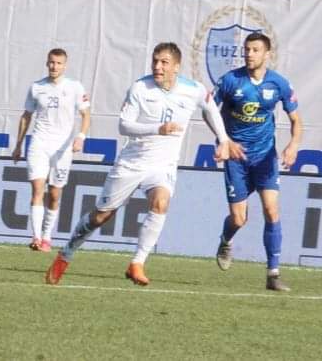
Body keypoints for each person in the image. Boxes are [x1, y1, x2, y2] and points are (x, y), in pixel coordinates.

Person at [45, 42, 234, 286]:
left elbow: (210, 108)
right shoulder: (140, 88)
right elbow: (124, 125)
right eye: (155, 61)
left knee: (161, 203)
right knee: (100, 217)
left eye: (164, 62)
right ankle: (67, 253)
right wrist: (158, 129)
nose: (158, 66)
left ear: (176, 67)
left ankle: (137, 263)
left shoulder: (193, 89)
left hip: (163, 165)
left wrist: (223, 139)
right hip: (132, 162)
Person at [213, 32, 300, 292]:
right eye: (247, 49)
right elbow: (211, 113)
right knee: (239, 219)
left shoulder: (279, 84)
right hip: (236, 159)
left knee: (272, 210)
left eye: (255, 50)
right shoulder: (230, 81)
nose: (249, 54)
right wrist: (224, 141)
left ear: (267, 54)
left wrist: (293, 144)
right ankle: (226, 239)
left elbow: (297, 121)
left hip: (265, 158)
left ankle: (273, 274)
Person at [12, 48, 90, 252]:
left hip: (62, 147)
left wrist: (80, 137)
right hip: (40, 142)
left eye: (58, 63)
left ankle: (47, 236)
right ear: (47, 64)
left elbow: (86, 115)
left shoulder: (74, 87)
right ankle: (36, 237)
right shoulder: (37, 87)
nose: (54, 66)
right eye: (51, 63)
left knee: (54, 194)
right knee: (37, 190)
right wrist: (19, 144)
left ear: (65, 65)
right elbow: (26, 116)